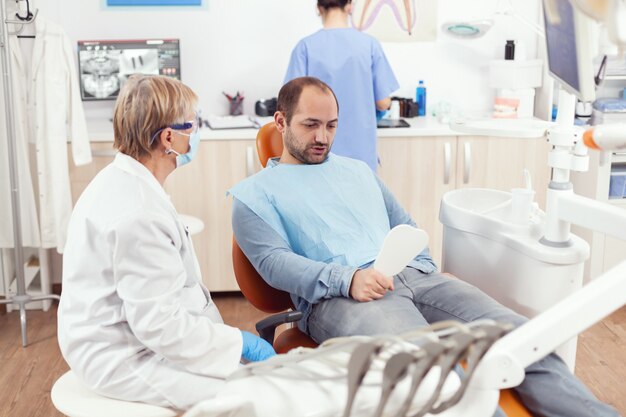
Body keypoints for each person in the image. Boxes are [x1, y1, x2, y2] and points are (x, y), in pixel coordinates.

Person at [229, 76, 619, 417]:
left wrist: (425, 269)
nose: (323, 137)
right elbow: (274, 264)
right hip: (344, 297)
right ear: (280, 122)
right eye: (310, 125)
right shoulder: (254, 196)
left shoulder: (357, 170)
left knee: (524, 341)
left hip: (416, 278)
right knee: (435, 373)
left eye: (331, 125)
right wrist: (348, 280)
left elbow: (405, 225)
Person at [57, 75, 275, 411]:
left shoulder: (128, 181)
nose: (197, 132)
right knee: (251, 398)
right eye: (194, 123)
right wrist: (237, 342)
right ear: (169, 137)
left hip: (136, 336)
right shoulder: (138, 212)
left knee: (248, 377)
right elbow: (160, 326)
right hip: (121, 356)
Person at [284, 0, 399, 171]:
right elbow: (383, 102)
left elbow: (290, 104)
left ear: (318, 8)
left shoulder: (305, 47)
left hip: (316, 153)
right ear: (350, 6)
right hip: (360, 156)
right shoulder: (369, 45)